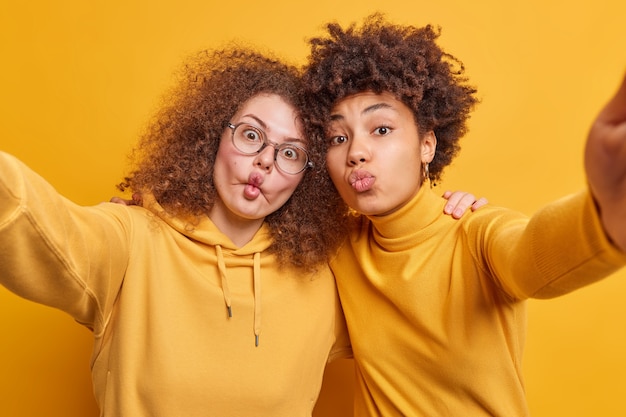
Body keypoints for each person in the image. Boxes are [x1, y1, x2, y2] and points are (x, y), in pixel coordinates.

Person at [0, 45, 481, 416]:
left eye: (290, 153)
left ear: (309, 175)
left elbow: (423, 302)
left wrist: (442, 220)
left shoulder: (327, 274)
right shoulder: (130, 240)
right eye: (252, 135)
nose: (265, 162)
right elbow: (40, 226)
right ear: (214, 135)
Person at [300, 13, 626, 417]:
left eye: (381, 129)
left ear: (427, 145)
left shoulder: (475, 231)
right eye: (338, 138)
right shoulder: (337, 248)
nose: (356, 152)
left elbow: (529, 253)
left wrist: (602, 217)